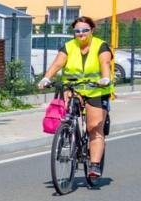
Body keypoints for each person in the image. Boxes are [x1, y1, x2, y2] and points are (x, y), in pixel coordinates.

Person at [38, 15, 113, 183]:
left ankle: (94, 165)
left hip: (97, 89)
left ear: (92, 30)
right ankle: (68, 132)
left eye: (85, 30)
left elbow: (105, 63)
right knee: (67, 115)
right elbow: (57, 64)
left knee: (94, 127)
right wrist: (46, 78)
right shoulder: (69, 46)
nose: (81, 34)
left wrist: (105, 78)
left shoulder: (100, 46)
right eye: (77, 31)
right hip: (74, 88)